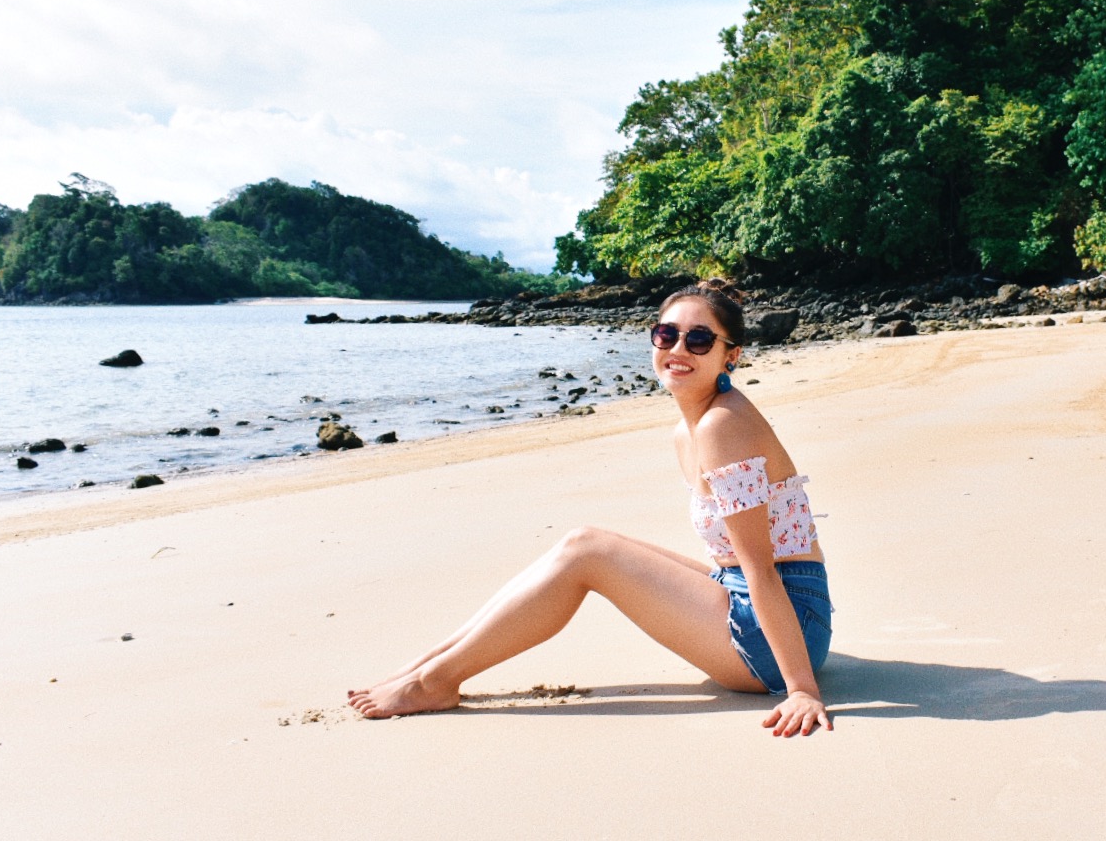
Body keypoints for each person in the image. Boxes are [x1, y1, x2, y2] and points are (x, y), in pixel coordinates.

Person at [347, 279, 833, 736]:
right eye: (667, 334)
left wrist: (801, 690)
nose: (678, 350)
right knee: (581, 541)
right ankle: (430, 666)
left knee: (588, 553)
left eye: (700, 340)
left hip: (778, 632)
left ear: (732, 356)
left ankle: (434, 681)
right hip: (753, 600)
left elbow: (761, 569)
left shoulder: (721, 426)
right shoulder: (690, 427)